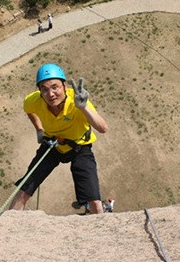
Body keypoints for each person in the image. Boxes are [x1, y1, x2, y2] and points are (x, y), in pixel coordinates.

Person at [9, 63, 108, 214]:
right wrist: (39, 129)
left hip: (79, 148)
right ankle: (12, 223)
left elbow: (102, 128)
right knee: (23, 191)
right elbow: (29, 111)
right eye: (44, 89)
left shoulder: (77, 101)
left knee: (94, 203)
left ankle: (95, 222)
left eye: (55, 87)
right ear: (40, 92)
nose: (50, 94)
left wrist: (83, 107)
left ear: (64, 86)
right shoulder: (33, 101)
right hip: (52, 145)